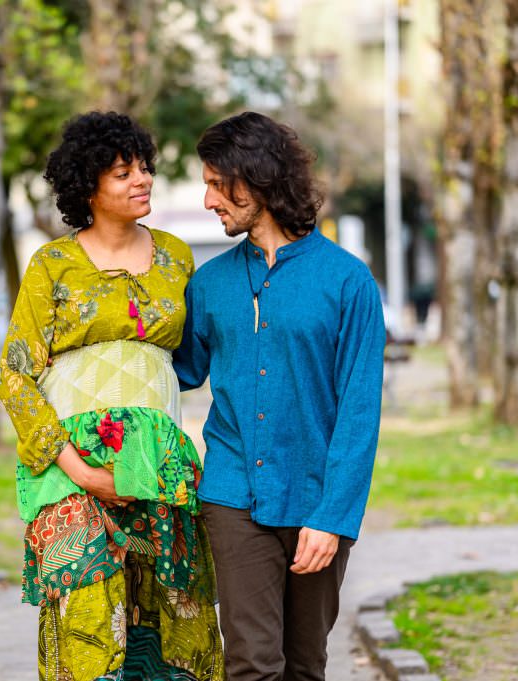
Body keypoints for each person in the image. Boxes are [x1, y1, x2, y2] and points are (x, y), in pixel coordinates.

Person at [0, 111, 224, 681]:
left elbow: (191, 359)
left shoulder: (177, 257)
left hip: (159, 466)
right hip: (74, 467)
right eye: (123, 173)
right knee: (89, 624)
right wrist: (81, 470)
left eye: (144, 168)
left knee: (174, 620)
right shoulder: (52, 265)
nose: (142, 179)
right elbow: (16, 376)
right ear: (88, 187)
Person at [173, 112, 386, 681]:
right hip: (232, 494)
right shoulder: (210, 283)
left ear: (259, 181)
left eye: (219, 184)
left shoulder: (347, 282)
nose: (208, 200)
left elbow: (359, 413)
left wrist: (333, 518)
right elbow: (176, 372)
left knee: (304, 665)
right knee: (251, 663)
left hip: (316, 498)